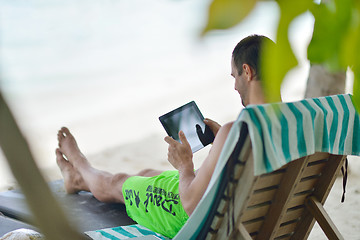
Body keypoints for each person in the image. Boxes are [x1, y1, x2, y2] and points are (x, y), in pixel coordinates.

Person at [56, 34, 274, 238]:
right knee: (146, 173)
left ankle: (80, 166)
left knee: (118, 182)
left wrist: (184, 166)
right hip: (250, 214)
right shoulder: (292, 126)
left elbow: (190, 204)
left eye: (235, 76)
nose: (235, 86)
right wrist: (222, 145)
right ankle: (77, 181)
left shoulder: (236, 130)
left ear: (247, 71)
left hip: (193, 217)